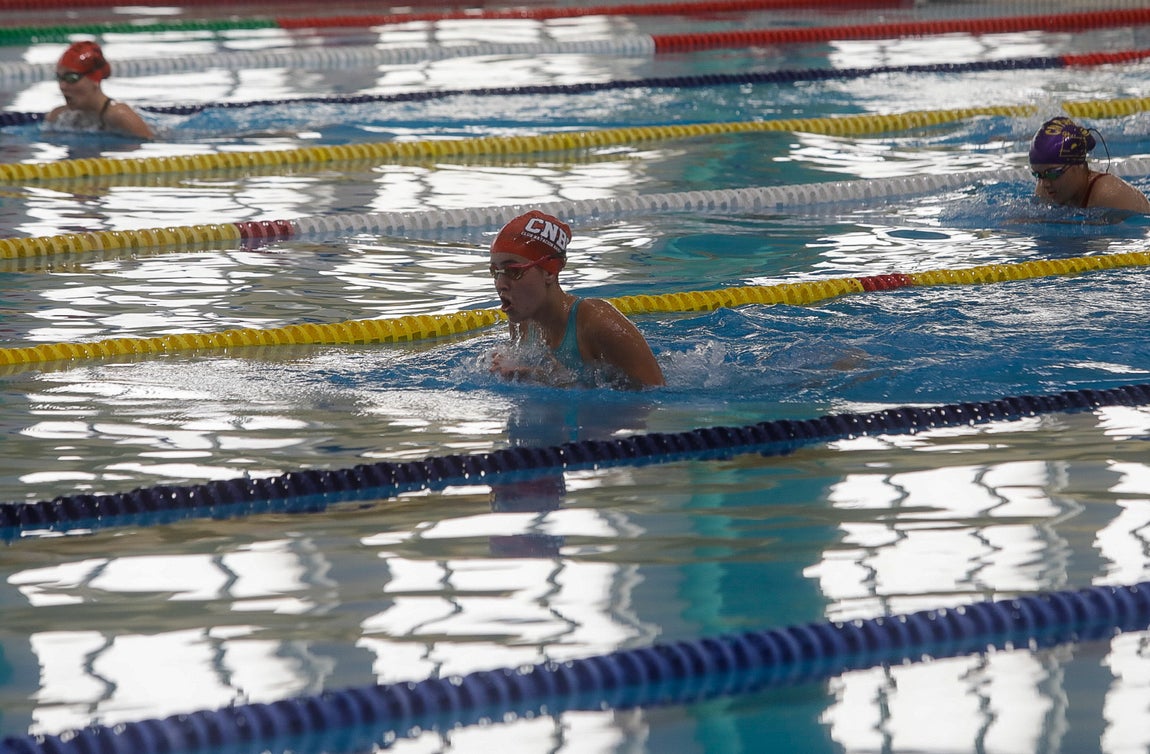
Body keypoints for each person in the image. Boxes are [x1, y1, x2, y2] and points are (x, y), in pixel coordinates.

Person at [488, 210, 665, 389]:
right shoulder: (522, 322)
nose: (500, 284)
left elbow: (657, 396)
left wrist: (551, 379)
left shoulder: (598, 322)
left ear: (549, 271)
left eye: (513, 271)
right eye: (495, 272)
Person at [1028, 116, 1149, 213]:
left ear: (1078, 164)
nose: (1045, 184)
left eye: (1053, 173)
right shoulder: (1044, 190)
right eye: (1038, 175)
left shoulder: (1109, 194)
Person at [45, 41, 153, 139]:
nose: (62, 86)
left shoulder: (120, 116)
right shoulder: (57, 116)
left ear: (95, 79)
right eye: (59, 78)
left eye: (71, 78)